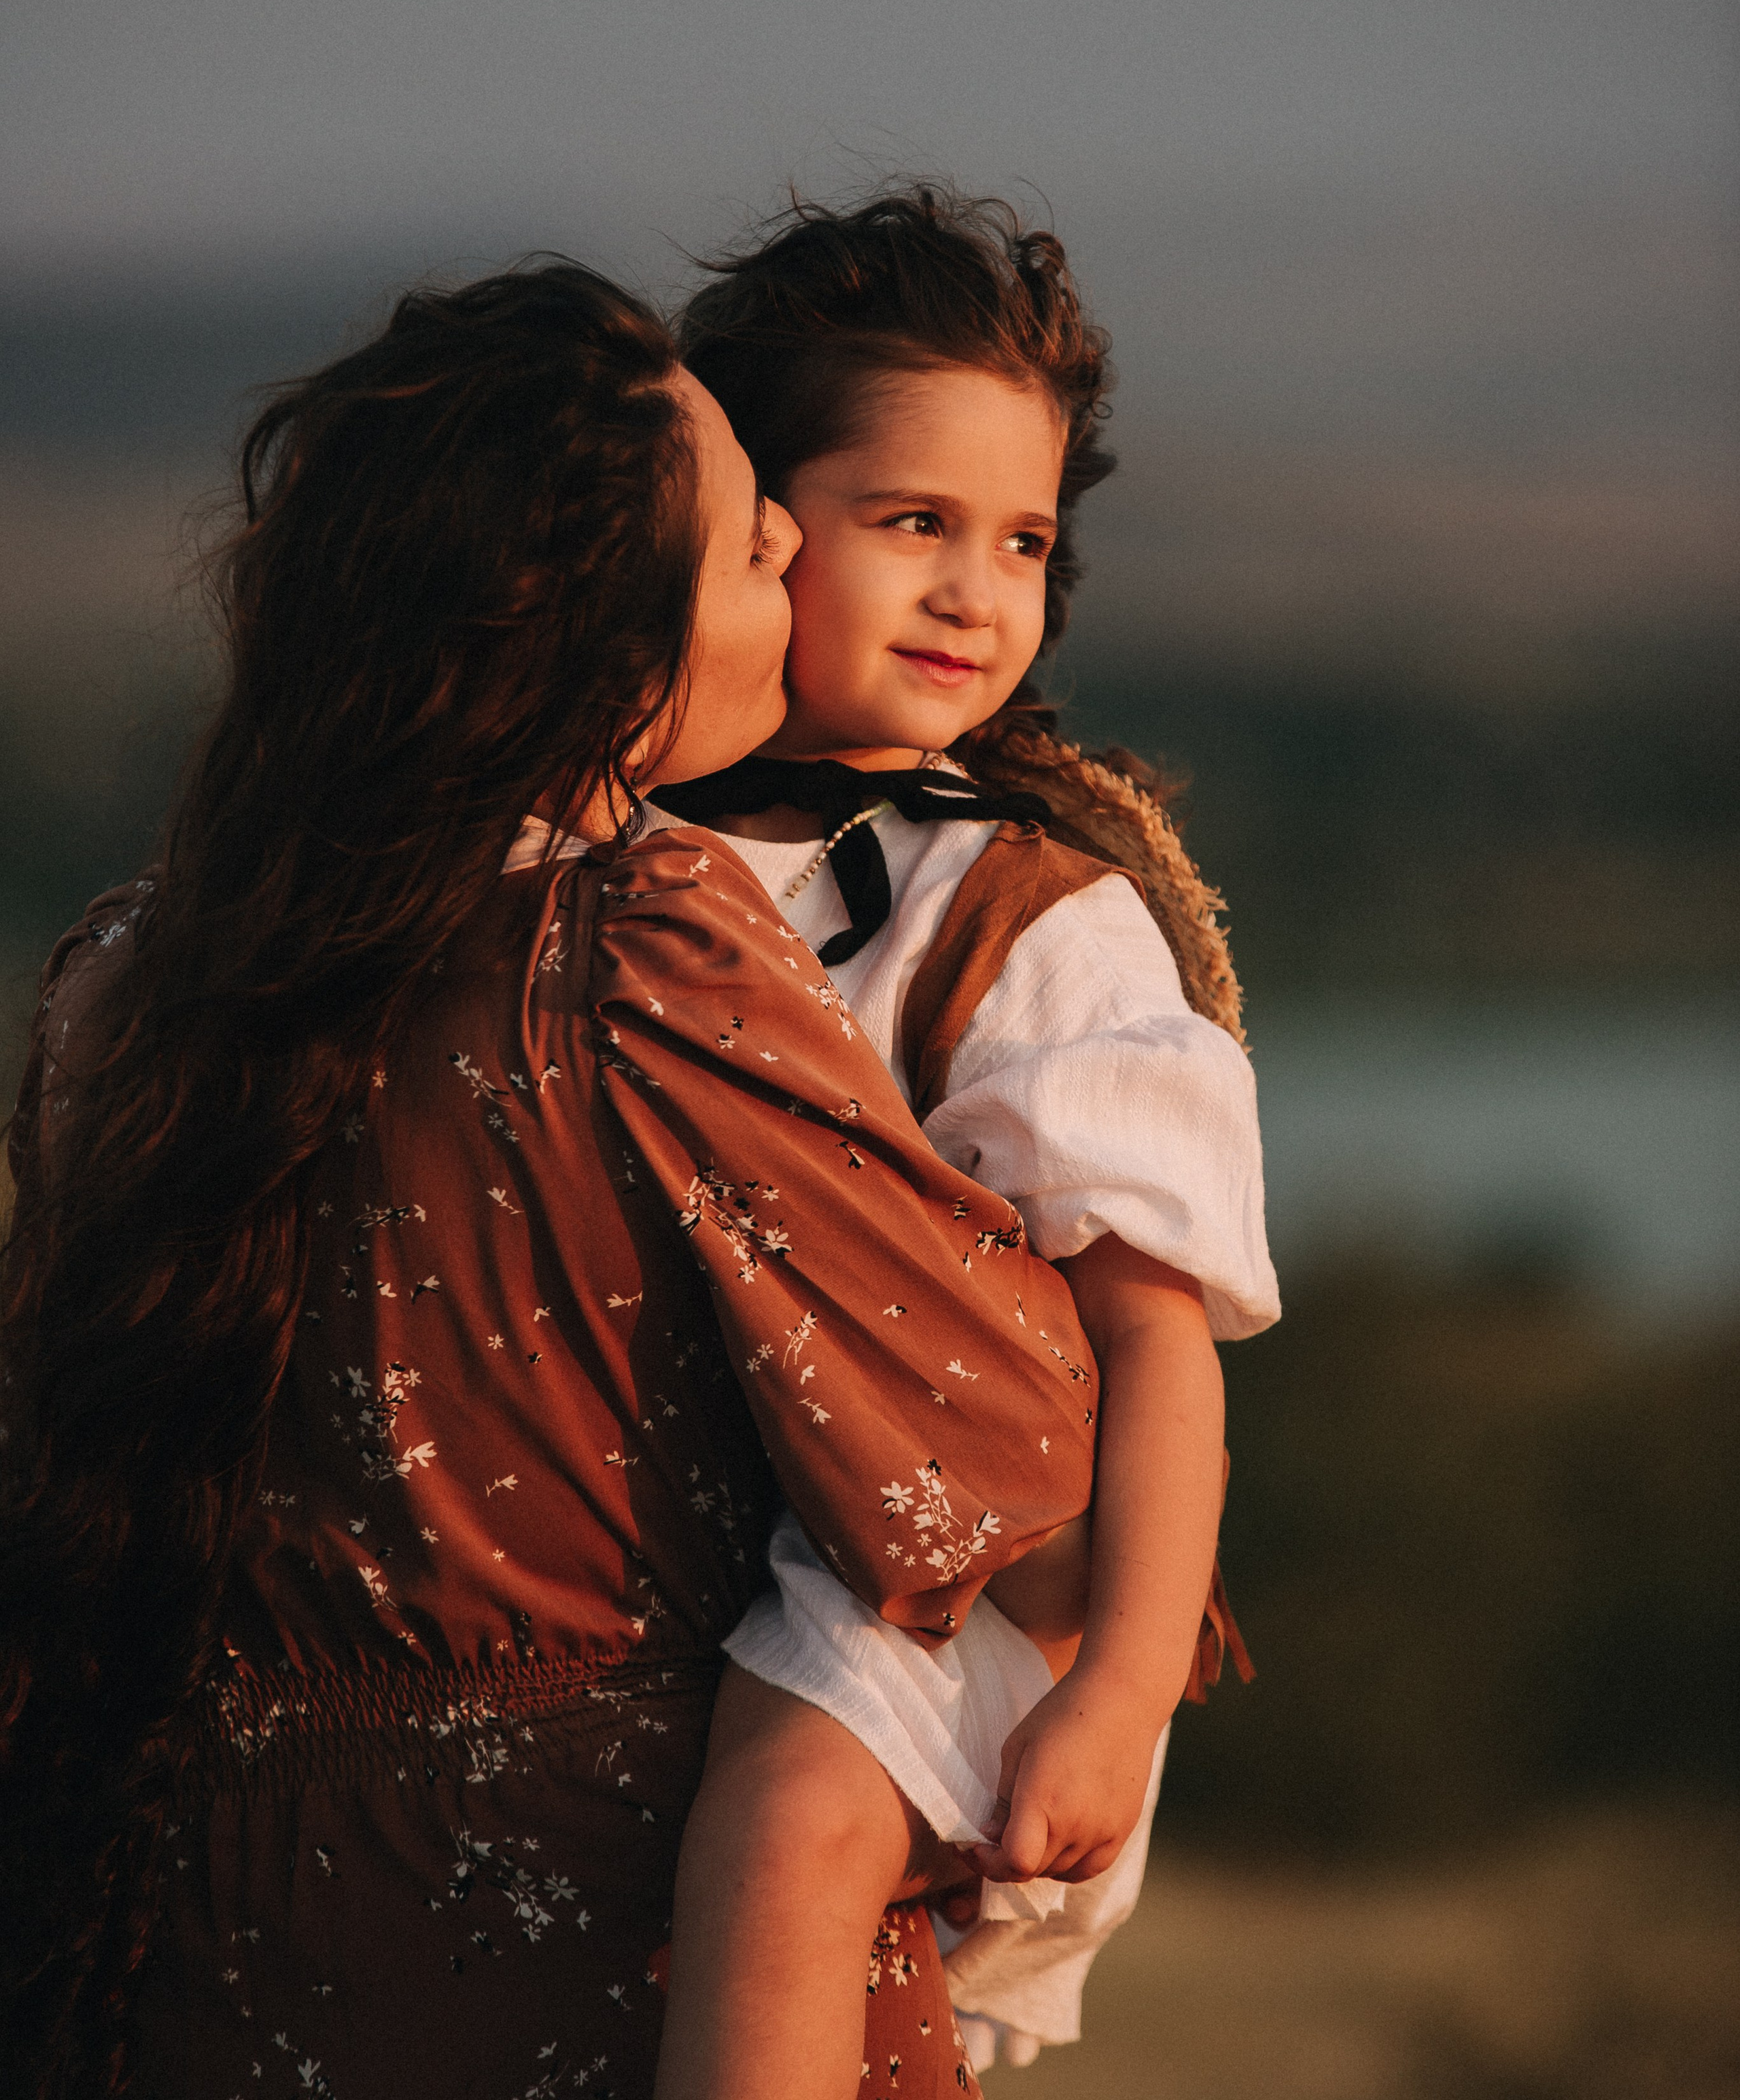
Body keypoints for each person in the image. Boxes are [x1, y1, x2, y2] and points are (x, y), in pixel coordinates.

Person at [0, 260, 1104, 2100]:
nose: (797, 586)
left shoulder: (119, 981)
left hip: (180, 1940)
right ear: (603, 630)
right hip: (597, 1931)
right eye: (759, 551)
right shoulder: (635, 942)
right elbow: (1000, 1472)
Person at [650, 185, 1279, 2088]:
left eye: (1020, 538)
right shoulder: (630, 850)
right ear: (754, 528)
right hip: (726, 1524)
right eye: (911, 520)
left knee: (793, 1805)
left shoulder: (1027, 917)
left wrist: (1118, 1684)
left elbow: (1155, 1335)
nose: (974, 591)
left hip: (963, 1585)